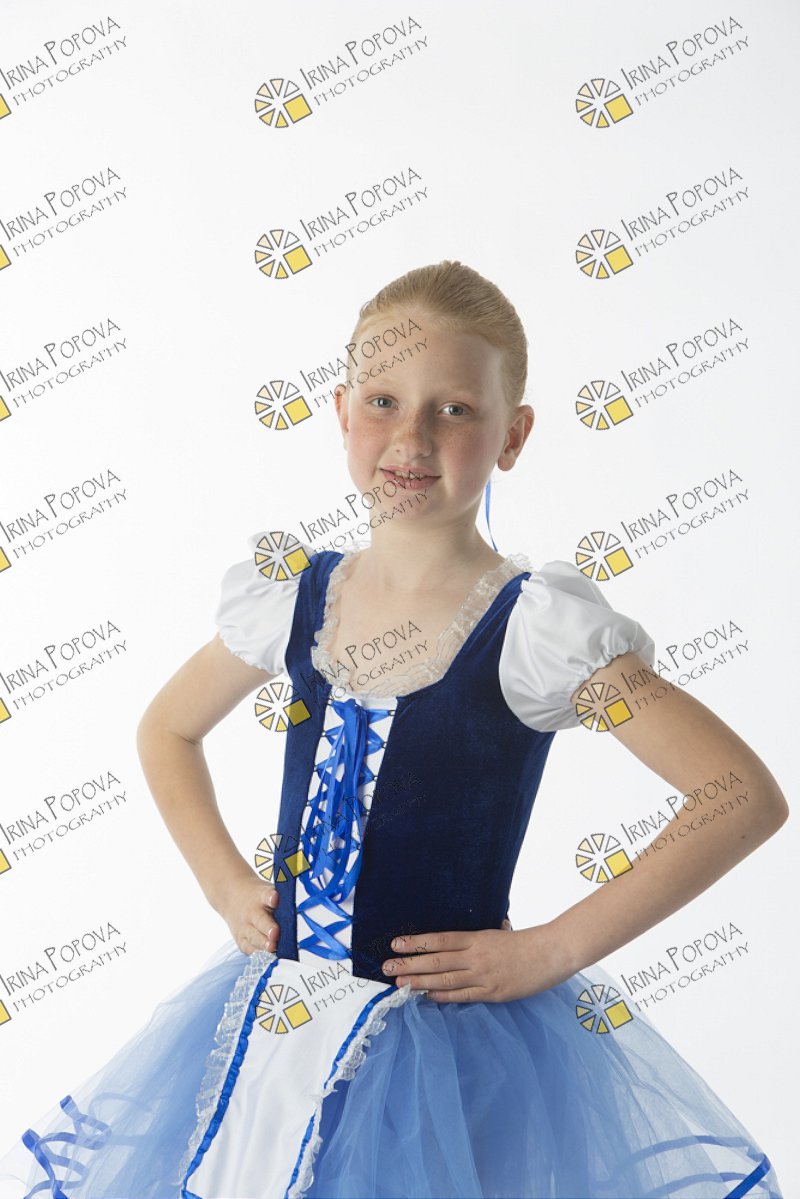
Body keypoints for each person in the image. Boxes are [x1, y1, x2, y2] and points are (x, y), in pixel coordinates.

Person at [0, 260, 788, 1199]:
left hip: (443, 1058)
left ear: (513, 435)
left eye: (454, 409)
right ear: (341, 412)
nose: (412, 438)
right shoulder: (298, 600)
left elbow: (739, 795)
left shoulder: (536, 632)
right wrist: (225, 883)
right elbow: (166, 728)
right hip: (280, 1028)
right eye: (383, 401)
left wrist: (550, 949)